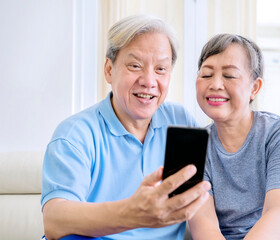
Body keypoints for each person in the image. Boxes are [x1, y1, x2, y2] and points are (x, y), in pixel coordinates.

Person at [41, 14, 210, 240]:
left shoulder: (180, 121)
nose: (149, 81)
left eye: (161, 69)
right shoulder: (75, 134)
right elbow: (54, 220)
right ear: (109, 70)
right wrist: (133, 213)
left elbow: (199, 200)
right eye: (135, 66)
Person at [188, 34, 280, 240]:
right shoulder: (193, 146)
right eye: (206, 74)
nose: (215, 84)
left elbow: (277, 213)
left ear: (254, 88)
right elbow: (204, 225)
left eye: (229, 75)